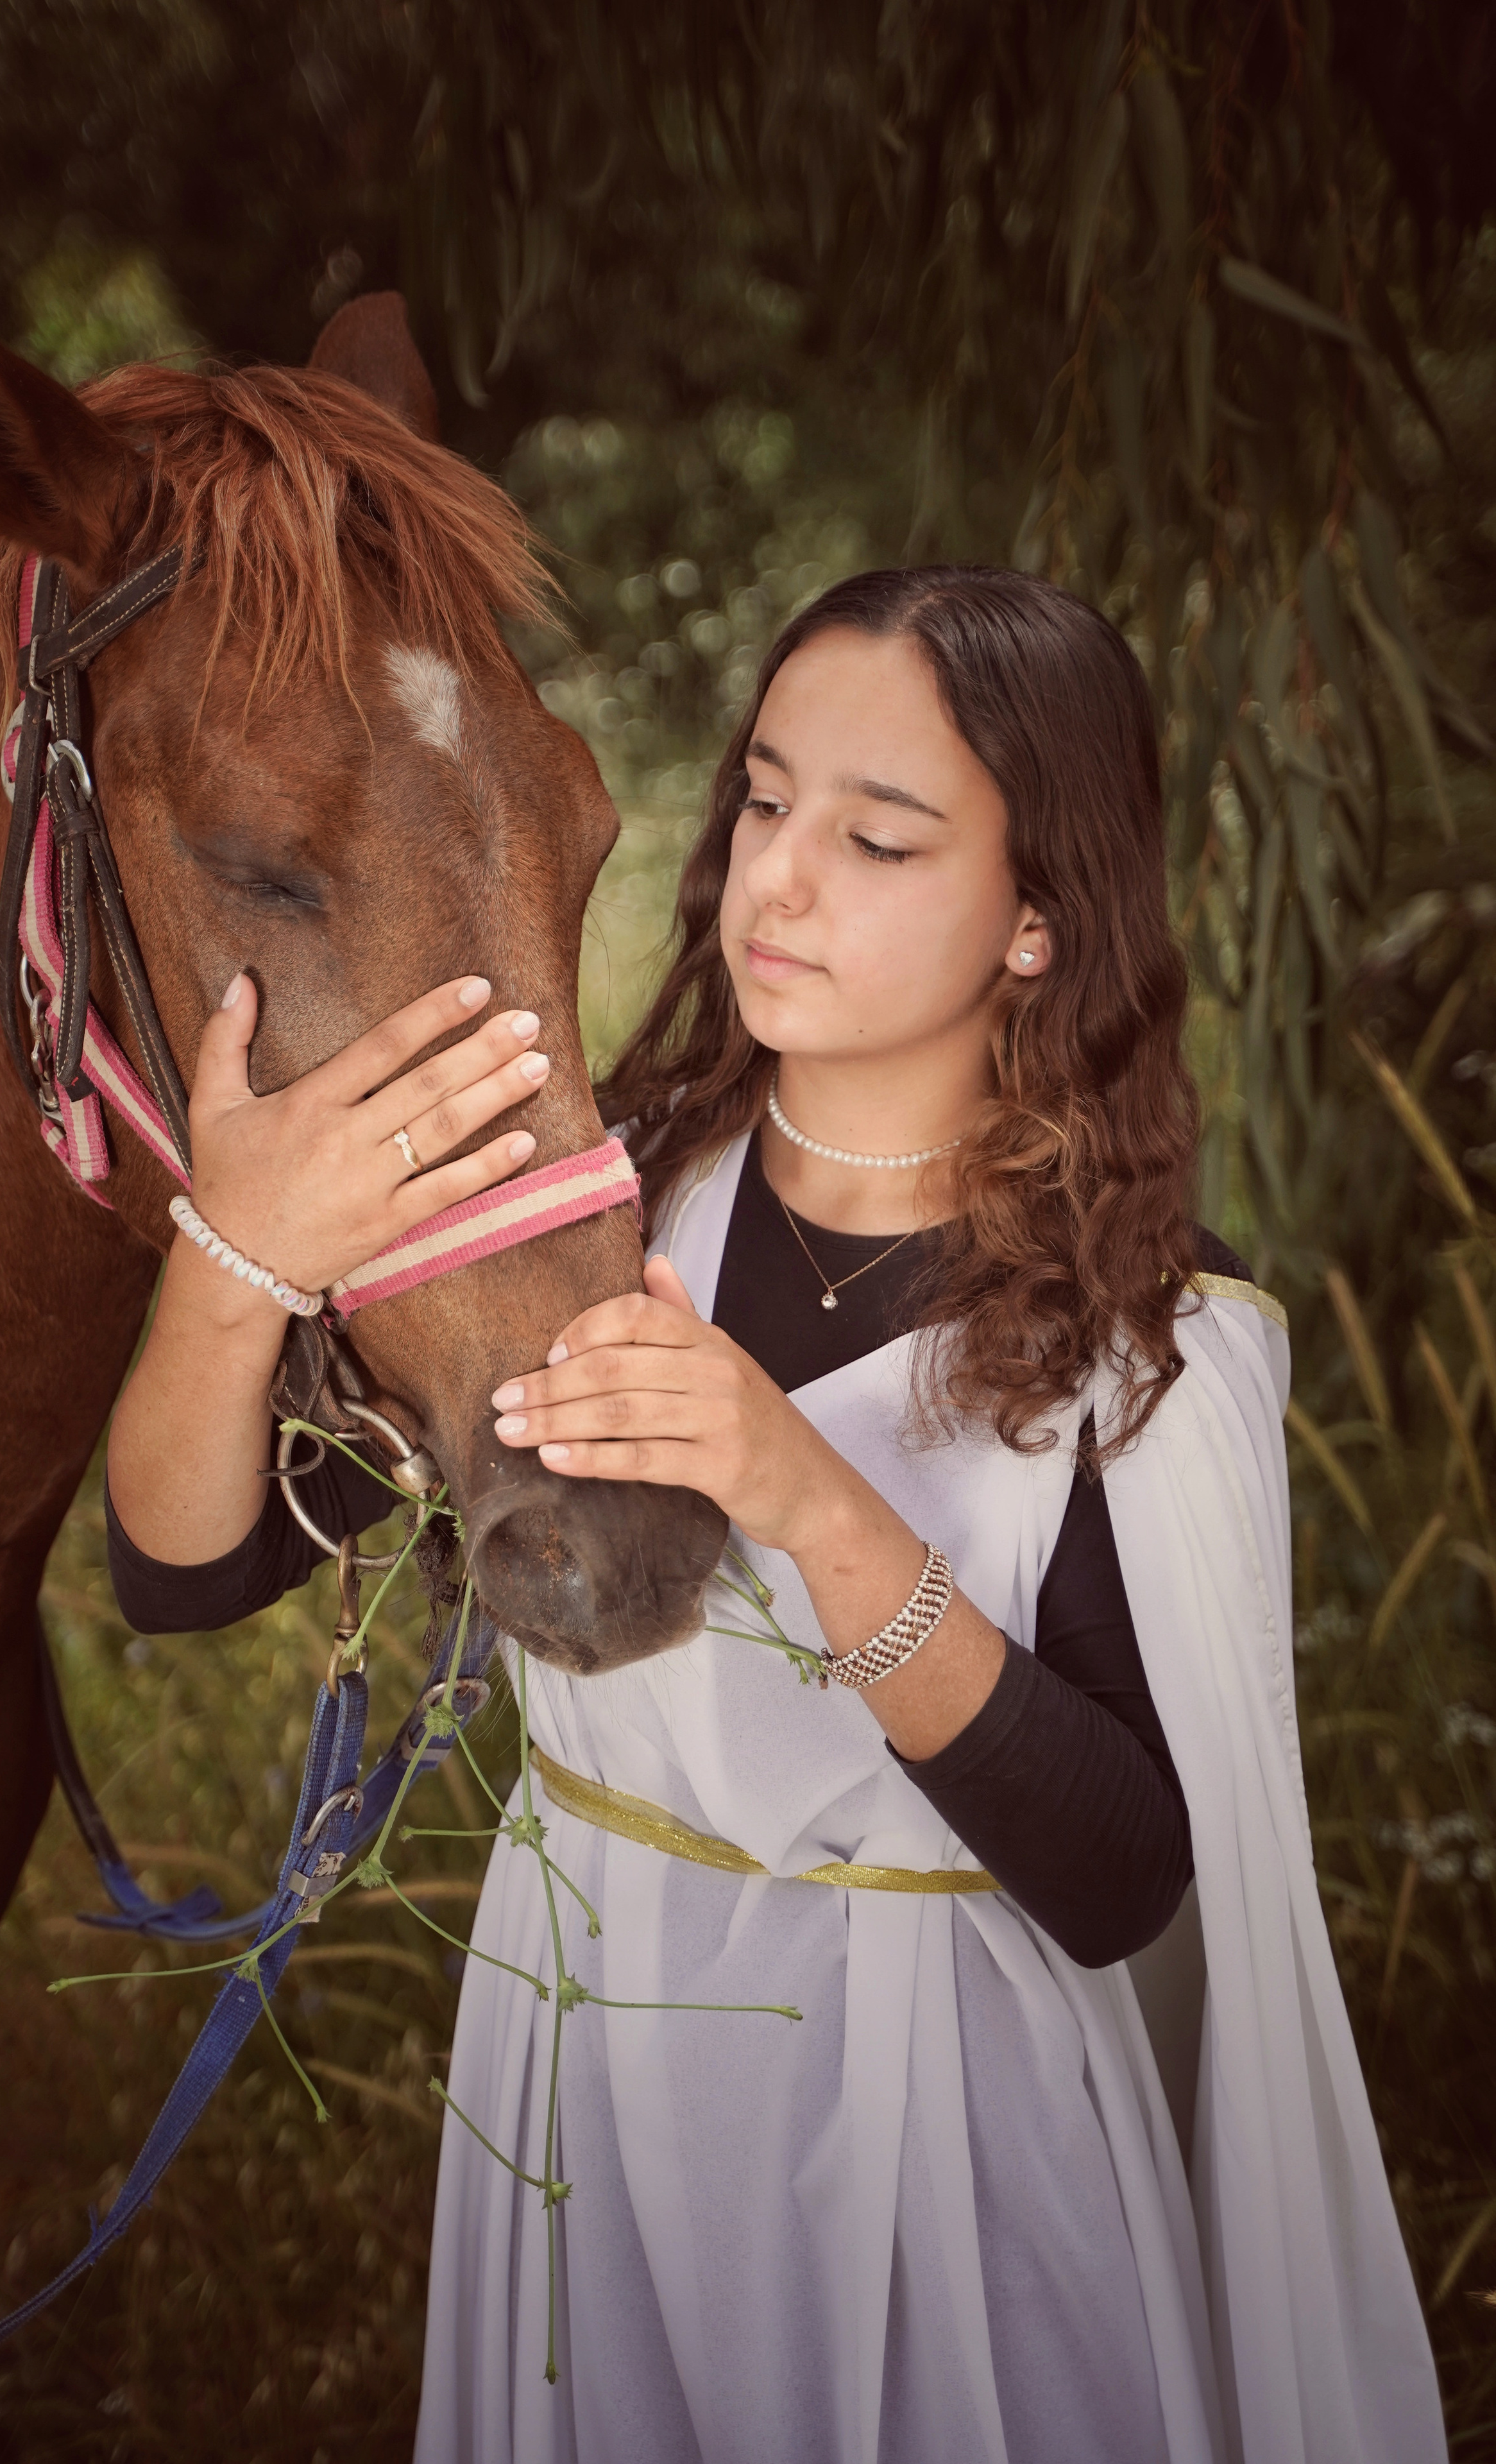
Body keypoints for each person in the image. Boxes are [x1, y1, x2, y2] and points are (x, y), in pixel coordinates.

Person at [108, 568, 1445, 2464]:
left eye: (880, 838)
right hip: (588, 2073)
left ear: (1042, 920)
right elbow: (189, 1571)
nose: (780, 878)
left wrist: (810, 1499)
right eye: (763, 797)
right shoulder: (584, 1229)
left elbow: (1123, 1875)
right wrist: (238, 1255)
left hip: (952, 2145)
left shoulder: (1154, 1344)